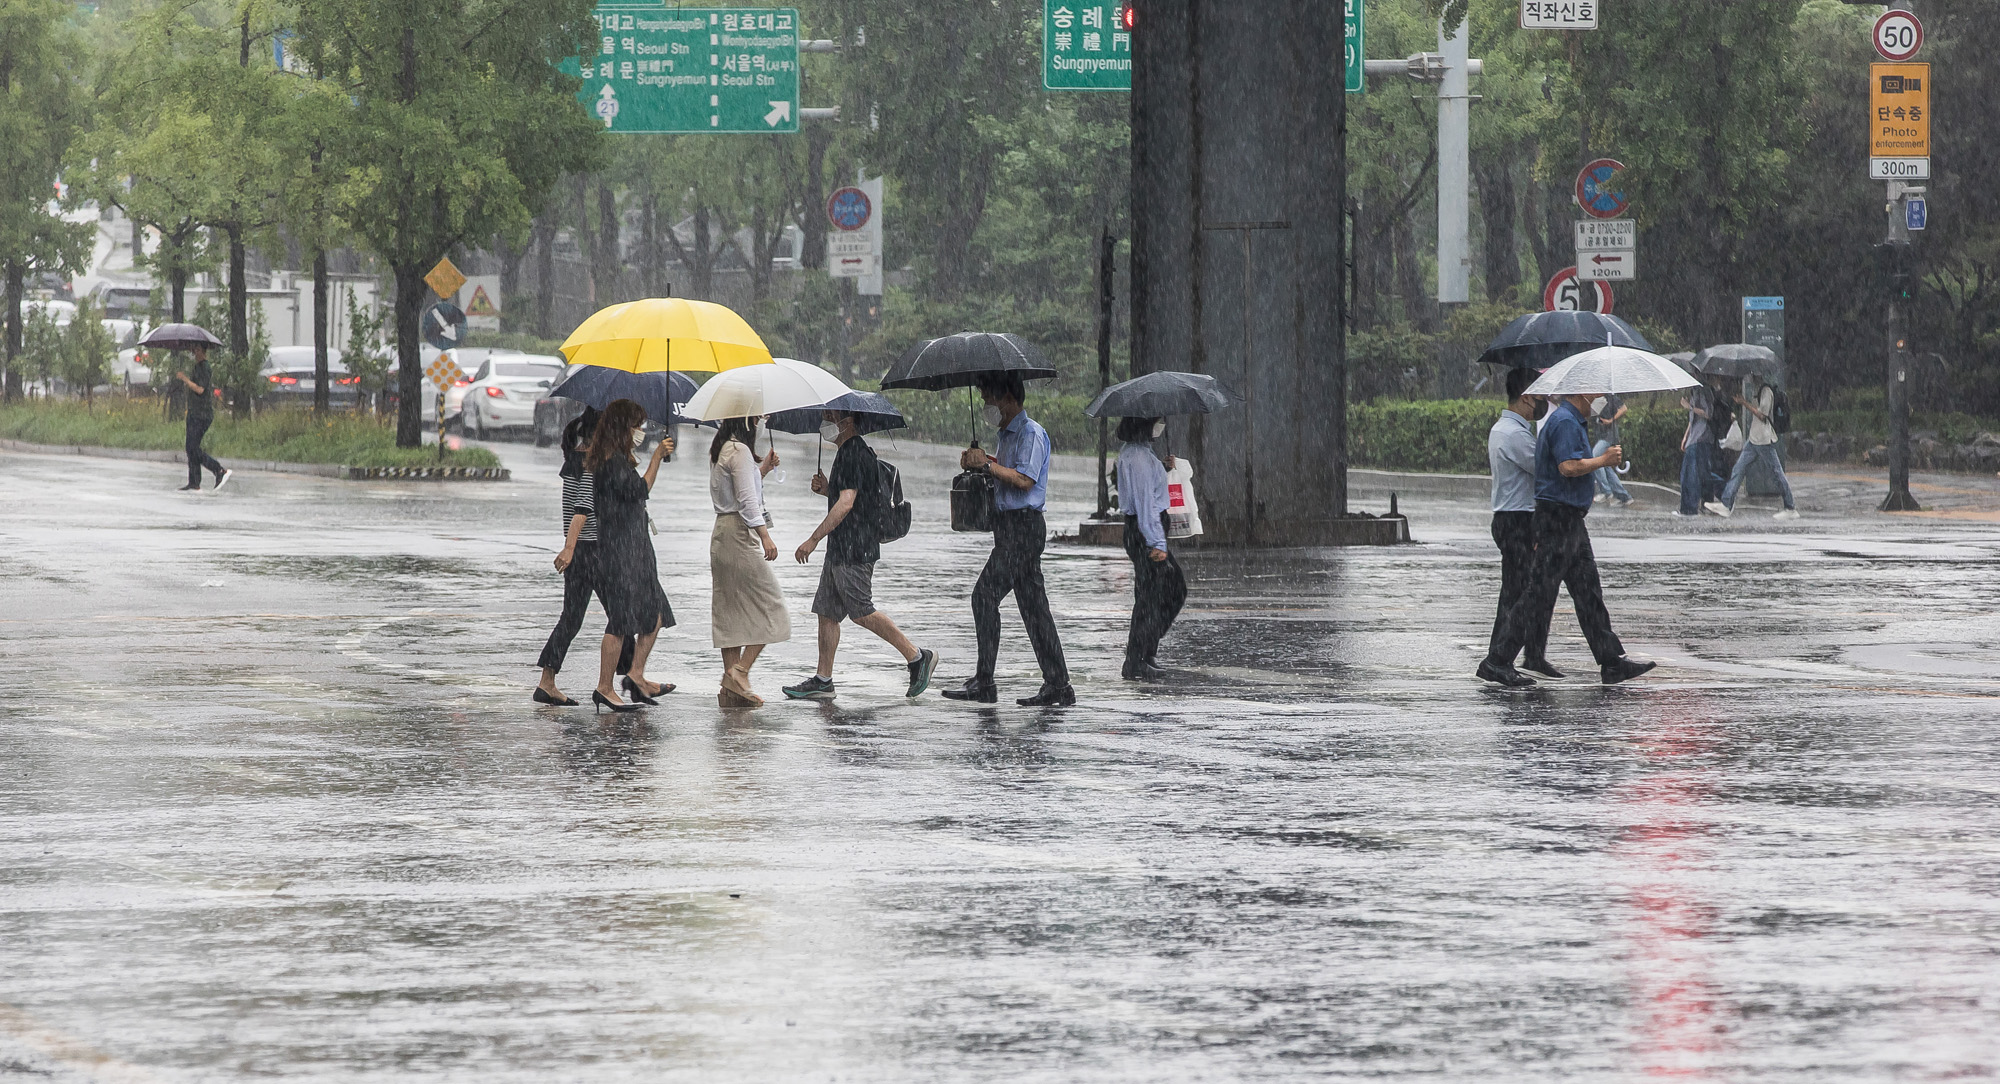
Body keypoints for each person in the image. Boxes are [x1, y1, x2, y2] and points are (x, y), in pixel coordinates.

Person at [1478, 387, 1657, 687]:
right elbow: (1568, 466)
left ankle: (1611, 662)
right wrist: (1603, 460)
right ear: (1581, 394)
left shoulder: (1571, 421)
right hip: (1557, 520)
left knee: (1588, 592)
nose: (1600, 397)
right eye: (1596, 392)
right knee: (1538, 594)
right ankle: (1497, 660)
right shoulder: (1564, 422)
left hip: (1571, 520)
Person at [783, 410, 939, 701]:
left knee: (862, 611)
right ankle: (823, 680)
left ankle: (917, 657)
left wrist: (813, 539)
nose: (826, 421)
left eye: (831, 415)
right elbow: (850, 497)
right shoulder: (849, 452)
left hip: (855, 549)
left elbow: (846, 504)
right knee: (827, 612)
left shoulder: (853, 452)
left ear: (847, 421)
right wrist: (827, 489)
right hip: (842, 547)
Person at [943, 373, 1073, 707]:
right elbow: (1006, 470)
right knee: (1033, 608)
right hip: (1009, 529)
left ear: (1010, 398)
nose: (987, 406)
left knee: (984, 597)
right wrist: (981, 461)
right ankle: (1058, 685)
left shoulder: (1030, 433)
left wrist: (987, 464)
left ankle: (986, 682)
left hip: (1023, 530)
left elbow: (1024, 479)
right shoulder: (1006, 435)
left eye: (990, 398)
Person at [582, 399, 677, 714]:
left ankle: (636, 674)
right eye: (636, 425)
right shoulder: (611, 463)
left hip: (635, 548)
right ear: (623, 428)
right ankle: (604, 687)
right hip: (620, 551)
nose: (641, 431)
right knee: (621, 620)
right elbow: (640, 490)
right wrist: (657, 458)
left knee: (656, 612)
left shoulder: (618, 459)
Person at [709, 415, 789, 707]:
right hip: (739, 534)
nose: (761, 423)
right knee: (773, 607)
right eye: (758, 418)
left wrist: (762, 470)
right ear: (746, 421)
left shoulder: (724, 448)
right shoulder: (740, 451)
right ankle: (739, 672)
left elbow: (738, 490)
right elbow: (747, 502)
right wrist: (765, 536)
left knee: (730, 612)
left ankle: (731, 689)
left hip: (722, 532)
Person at [1486, 369, 1560, 679]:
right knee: (1519, 593)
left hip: (1512, 518)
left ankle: (1526, 655)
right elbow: (1544, 468)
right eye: (1540, 395)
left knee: (1518, 591)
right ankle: (1498, 660)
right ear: (1526, 396)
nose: (1542, 401)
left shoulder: (1506, 428)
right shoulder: (1513, 434)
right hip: (1516, 520)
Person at [1113, 415, 1186, 681]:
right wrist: (1157, 543)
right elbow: (1145, 505)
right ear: (1144, 424)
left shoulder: (1138, 452)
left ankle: (1145, 651)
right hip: (1145, 533)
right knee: (1164, 593)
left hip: (1142, 531)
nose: (1161, 425)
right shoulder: (1140, 458)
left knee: (1153, 595)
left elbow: (1145, 490)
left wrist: (1161, 468)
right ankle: (1135, 660)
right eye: (1157, 420)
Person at [1709, 374, 1800, 520]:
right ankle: (1726, 504)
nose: (1748, 378)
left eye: (1751, 375)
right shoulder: (1758, 390)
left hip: (1763, 440)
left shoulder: (1766, 391)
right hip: (1754, 439)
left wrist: (1744, 403)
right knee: (1738, 469)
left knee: (1777, 473)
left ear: (1757, 375)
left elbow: (1762, 415)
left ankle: (1790, 507)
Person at [174, 346, 230, 492]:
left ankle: (218, 470)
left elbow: (200, 389)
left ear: (202, 351)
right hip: (194, 412)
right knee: (190, 447)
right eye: (193, 350)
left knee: (193, 447)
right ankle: (194, 481)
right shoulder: (196, 367)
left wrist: (185, 379)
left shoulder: (205, 367)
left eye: (197, 350)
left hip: (202, 414)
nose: (194, 353)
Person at [1676, 378, 1719, 517]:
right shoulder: (1695, 391)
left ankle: (1689, 509)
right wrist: (1686, 436)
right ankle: (1706, 504)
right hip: (1695, 438)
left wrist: (1689, 406)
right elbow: (1692, 420)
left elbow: (1708, 413)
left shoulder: (1703, 390)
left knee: (1690, 475)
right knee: (1702, 473)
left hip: (1701, 438)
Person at [1589, 392, 1632, 506]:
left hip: (1609, 435)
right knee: (1605, 465)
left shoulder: (1610, 397)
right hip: (1600, 435)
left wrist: (1611, 420)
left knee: (1595, 457)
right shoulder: (1593, 399)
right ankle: (1624, 496)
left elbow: (1624, 408)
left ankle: (1606, 491)